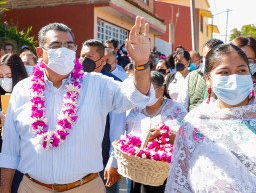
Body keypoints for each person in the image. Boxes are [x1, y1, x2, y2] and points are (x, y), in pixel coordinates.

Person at [0, 16, 154, 193]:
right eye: (56, 45)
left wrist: (141, 64)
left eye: (70, 46)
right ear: (40, 52)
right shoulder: (22, 89)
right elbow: (10, 149)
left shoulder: (97, 84)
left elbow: (138, 96)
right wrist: (4, 188)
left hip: (85, 187)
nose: (64, 51)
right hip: (32, 187)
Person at [166, 43, 256, 192]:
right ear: (208, 79)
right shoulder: (194, 124)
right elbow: (181, 182)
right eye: (224, 72)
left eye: (241, 70)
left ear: (250, 75)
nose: (234, 78)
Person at [126, 71, 187, 193]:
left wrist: (163, 134)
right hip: (138, 170)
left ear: (161, 89)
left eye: (149, 89)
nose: (145, 93)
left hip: (164, 172)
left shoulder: (177, 109)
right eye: (142, 89)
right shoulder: (135, 109)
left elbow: (186, 136)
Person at [80, 39, 125, 193]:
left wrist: (114, 161)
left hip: (103, 157)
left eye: (90, 57)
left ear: (103, 60)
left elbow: (117, 127)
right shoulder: (74, 80)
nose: (84, 60)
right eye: (82, 56)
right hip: (78, 157)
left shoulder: (113, 85)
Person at [0, 54, 28, 193]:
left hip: (23, 161)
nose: (5, 80)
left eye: (9, 75)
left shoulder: (29, 95)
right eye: (1, 76)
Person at [178, 39, 223, 111]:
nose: (209, 59)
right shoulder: (191, 76)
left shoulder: (229, 78)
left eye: (212, 56)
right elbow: (181, 106)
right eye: (206, 57)